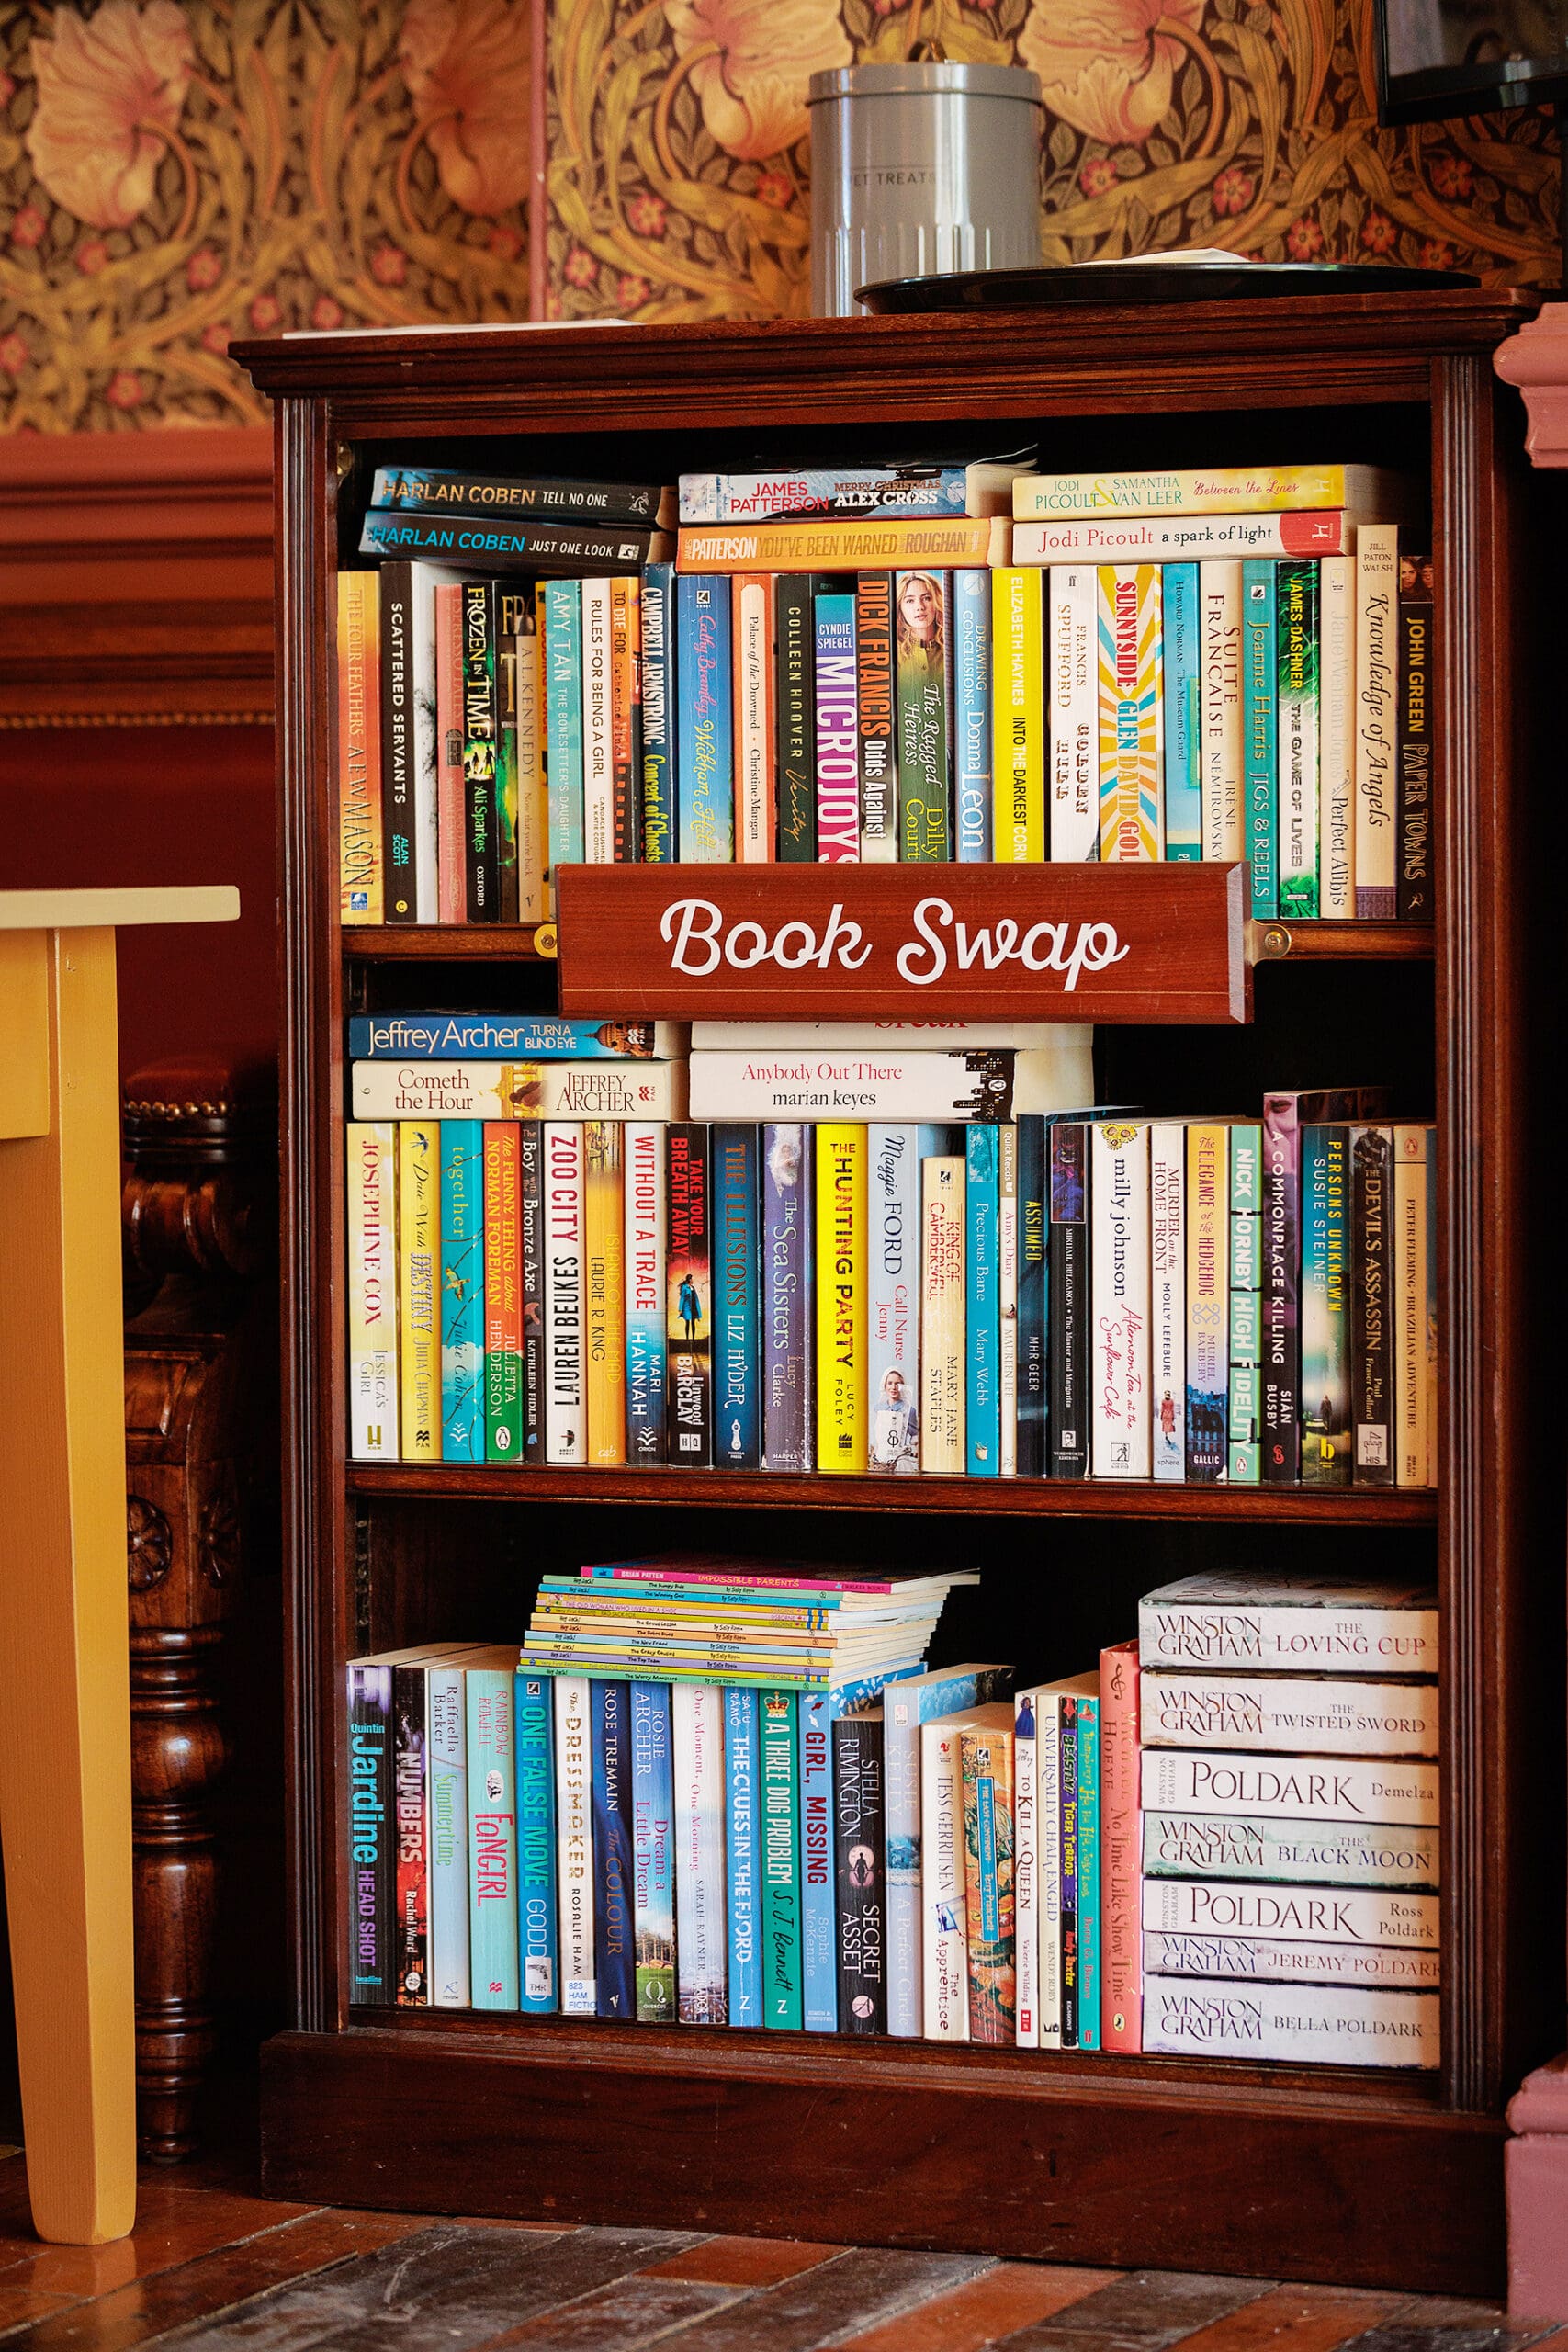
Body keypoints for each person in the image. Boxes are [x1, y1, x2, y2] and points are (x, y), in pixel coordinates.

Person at [870, 1365, 919, 1471]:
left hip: (899, 1460)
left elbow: (915, 1435)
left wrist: (912, 1448)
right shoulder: (878, 1409)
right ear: (884, 1385)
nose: (893, 1387)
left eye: (897, 1384)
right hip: (881, 1459)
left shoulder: (909, 1410)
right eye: (890, 1383)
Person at [896, 571, 945, 673]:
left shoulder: (954, 647)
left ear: (937, 602)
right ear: (900, 607)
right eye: (910, 601)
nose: (920, 607)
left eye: (927, 598)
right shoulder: (893, 653)